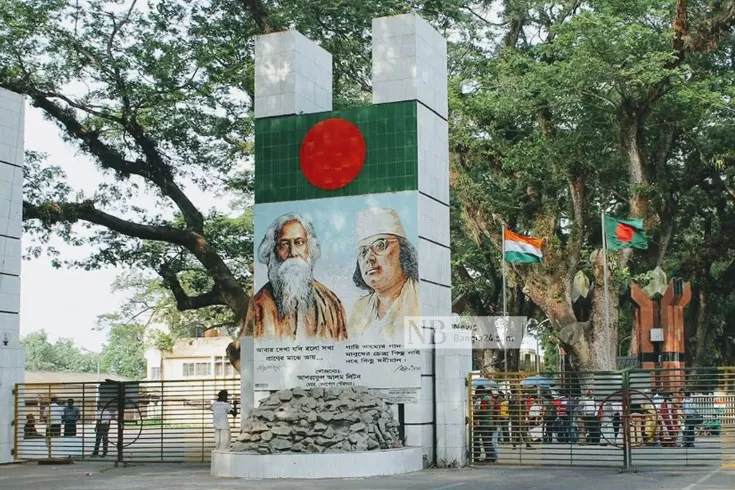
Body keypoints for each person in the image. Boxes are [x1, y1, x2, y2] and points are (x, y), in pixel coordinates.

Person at [249, 212, 348, 341]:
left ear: (309, 248)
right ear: (273, 251)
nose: (293, 252)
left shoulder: (330, 303)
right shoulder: (258, 306)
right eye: (284, 244)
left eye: (299, 242)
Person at [349, 208, 419, 340]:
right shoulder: (359, 309)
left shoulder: (421, 298)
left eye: (380, 245)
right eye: (363, 252)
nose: (369, 258)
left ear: (403, 251)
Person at [475, 386, 497, 463]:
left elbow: (483, 410)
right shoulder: (490, 398)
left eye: (476, 393)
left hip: (485, 422)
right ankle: (491, 457)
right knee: (489, 440)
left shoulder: (484, 399)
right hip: (491, 422)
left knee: (486, 441)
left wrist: (475, 412)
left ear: (479, 392)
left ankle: (492, 457)